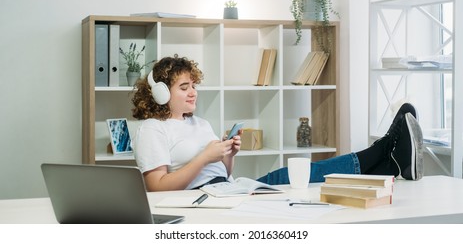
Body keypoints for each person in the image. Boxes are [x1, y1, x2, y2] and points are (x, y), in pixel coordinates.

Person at [132, 55, 424, 192]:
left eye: (194, 85)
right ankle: (387, 151)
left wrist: (228, 155)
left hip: (228, 188)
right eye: (184, 87)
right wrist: (205, 156)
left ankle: (389, 162)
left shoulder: (201, 123)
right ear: (160, 92)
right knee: (310, 174)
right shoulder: (153, 129)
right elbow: (157, 187)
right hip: (203, 199)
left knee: (301, 173)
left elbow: (221, 172)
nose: (193, 91)